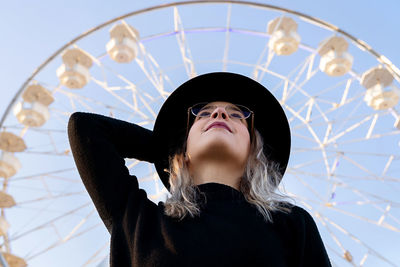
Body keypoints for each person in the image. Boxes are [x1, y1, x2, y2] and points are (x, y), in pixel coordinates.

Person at [68, 72, 332, 267]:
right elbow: (85, 128)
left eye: (238, 114)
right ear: (183, 149)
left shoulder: (292, 224)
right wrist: (172, 152)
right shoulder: (140, 222)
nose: (218, 112)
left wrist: (187, 147)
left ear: (255, 151)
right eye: (202, 113)